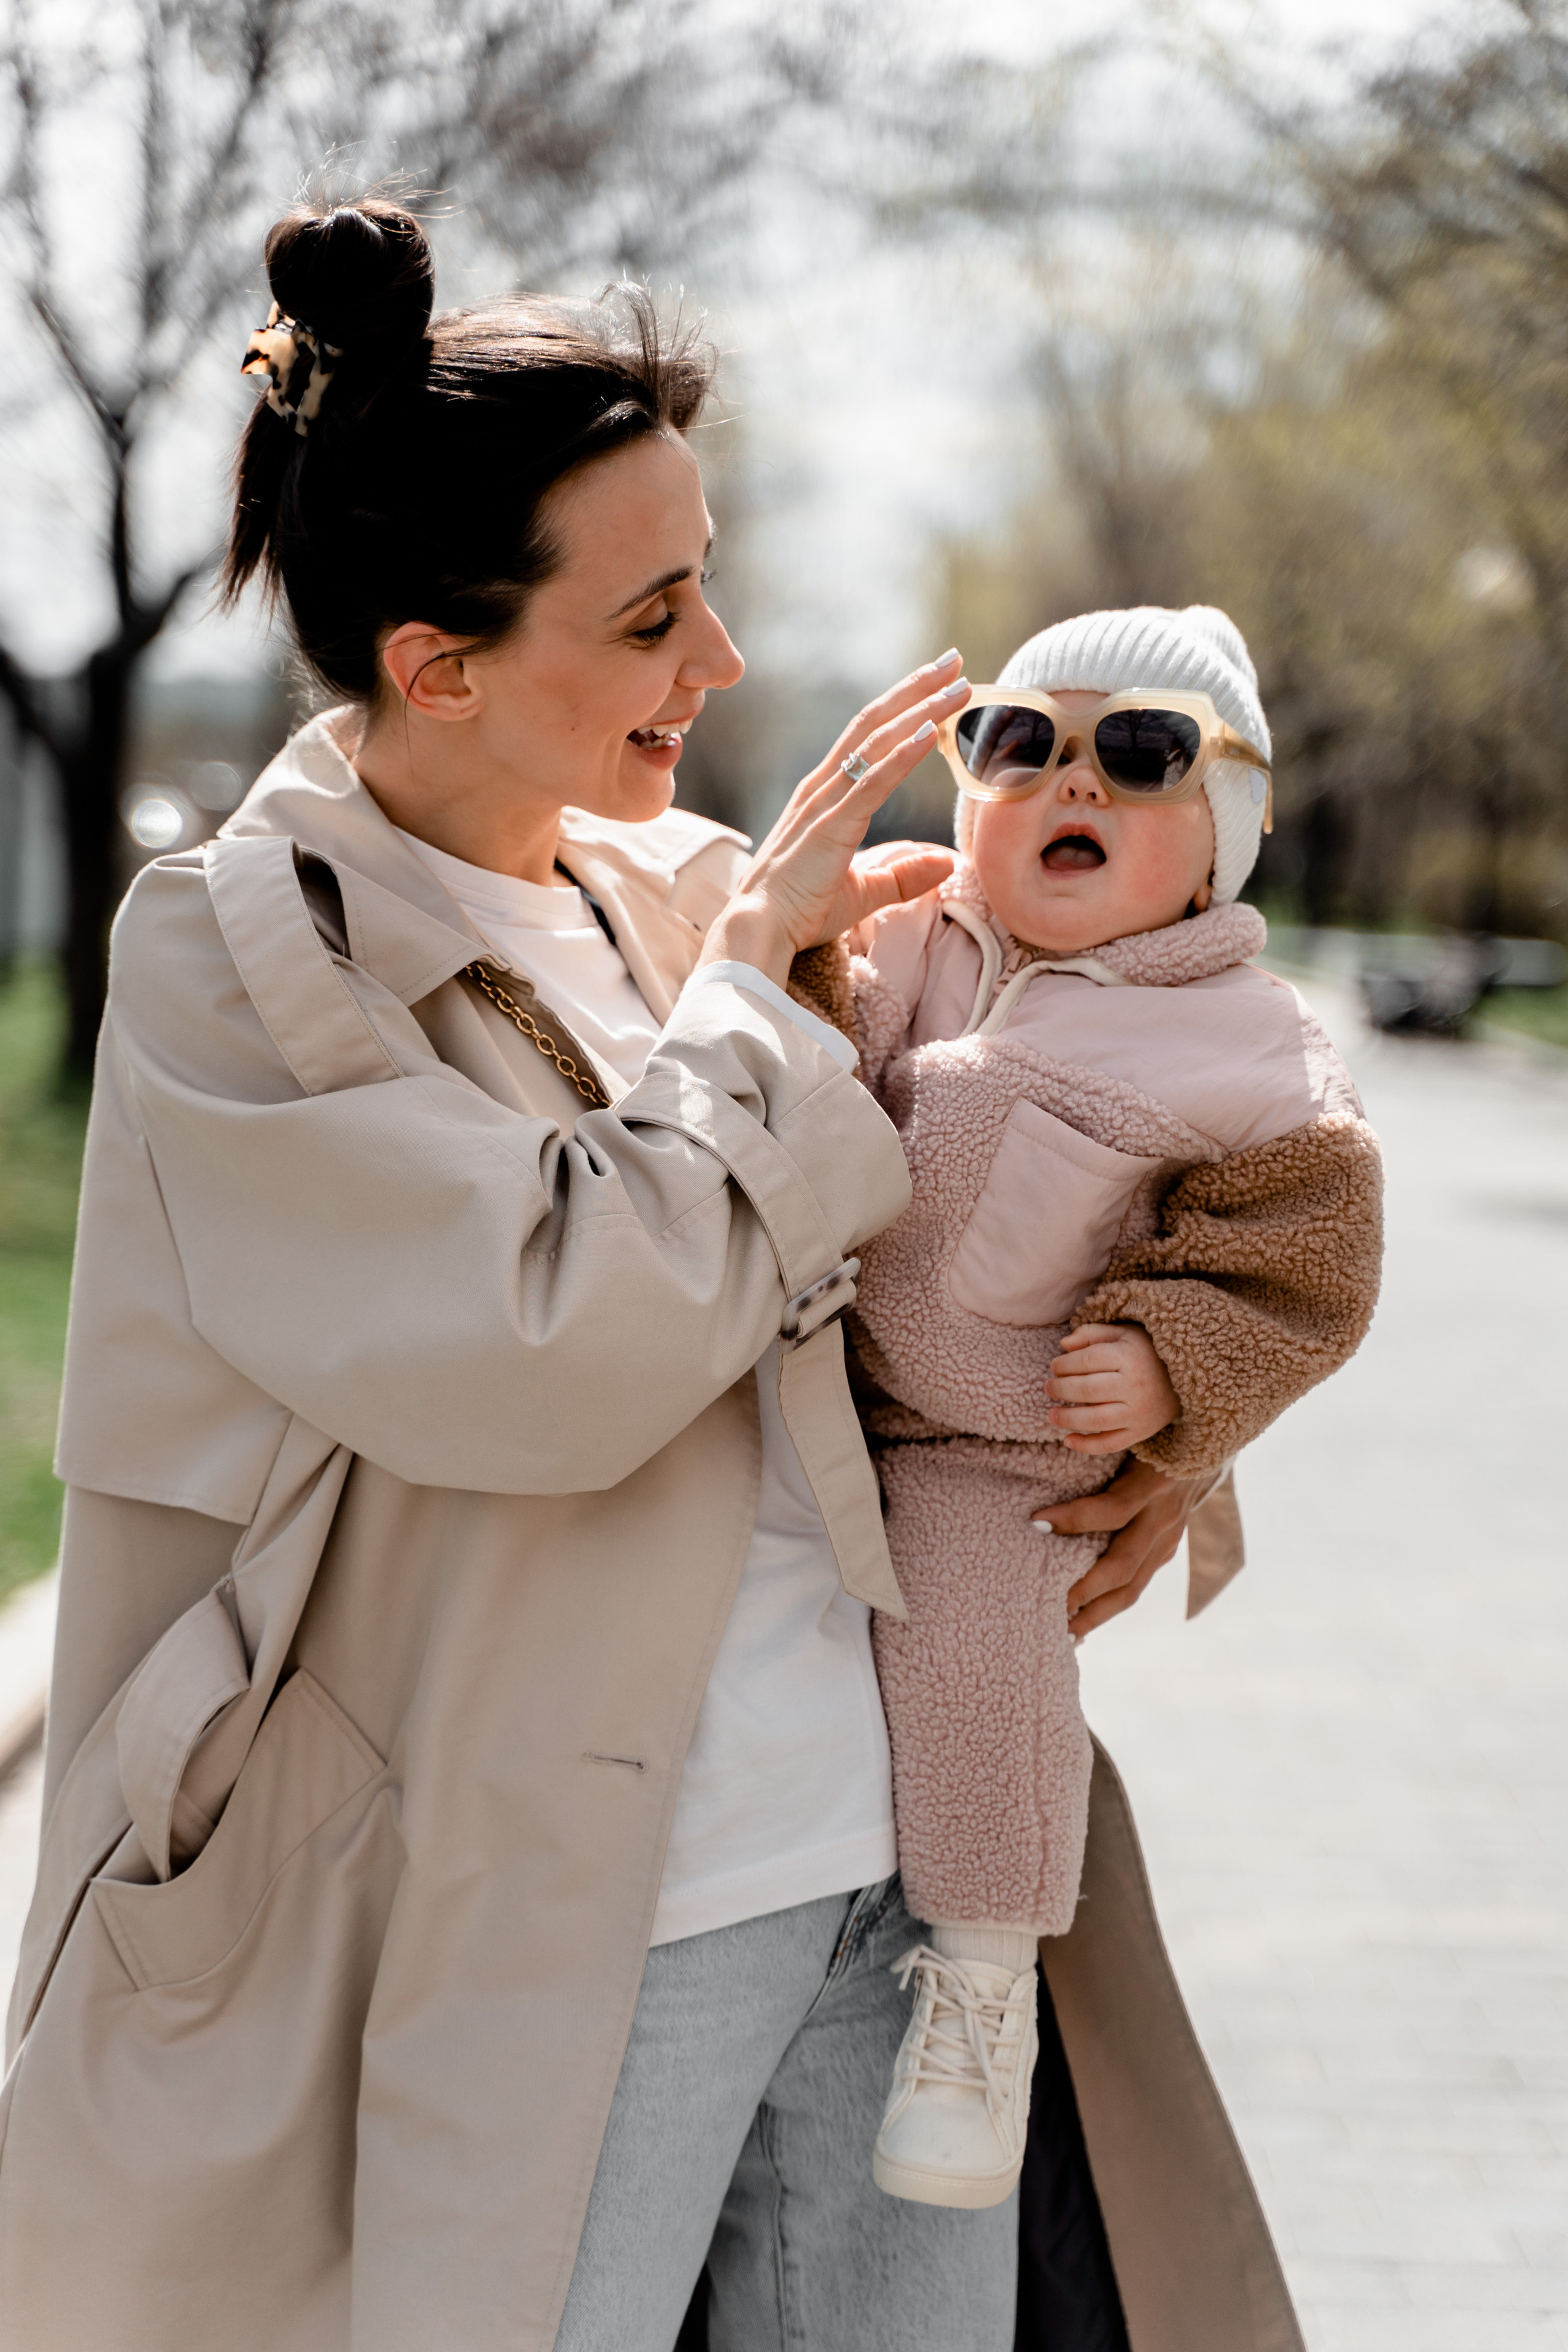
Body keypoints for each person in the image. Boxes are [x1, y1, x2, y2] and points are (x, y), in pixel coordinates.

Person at [0, 196, 1305, 2352]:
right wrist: (776, 1007)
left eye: (713, 591)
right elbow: (556, 1339)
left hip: (893, 1855)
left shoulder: (698, 897)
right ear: (441, 665)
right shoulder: (247, 957)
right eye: (654, 615)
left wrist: (1175, 1412)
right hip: (564, 1922)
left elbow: (1113, 1165)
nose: (714, 667)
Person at [805, 606, 1382, 2213]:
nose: (1077, 783)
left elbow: (1302, 1255)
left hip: (1007, 1451)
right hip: (825, 1392)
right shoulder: (914, 943)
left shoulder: (1240, 1043)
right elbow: (789, 1052)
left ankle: (982, 1993)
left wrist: (1170, 1359)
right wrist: (799, 955)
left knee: (989, 1650)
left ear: (1219, 851)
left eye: (1141, 756)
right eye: (1020, 743)